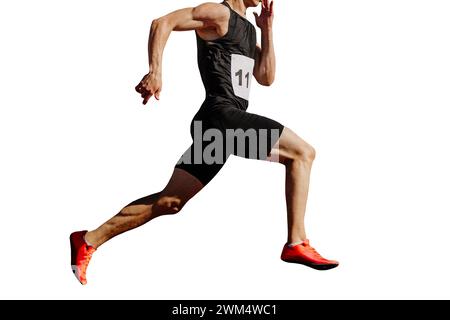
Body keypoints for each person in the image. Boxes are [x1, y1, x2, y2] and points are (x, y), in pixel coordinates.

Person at [70, 0, 338, 285]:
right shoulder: (218, 13)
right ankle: (296, 242)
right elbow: (162, 22)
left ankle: (87, 239)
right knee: (301, 153)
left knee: (170, 201)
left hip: (222, 130)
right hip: (221, 117)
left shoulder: (247, 29)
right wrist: (156, 70)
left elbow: (266, 77)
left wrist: (267, 29)